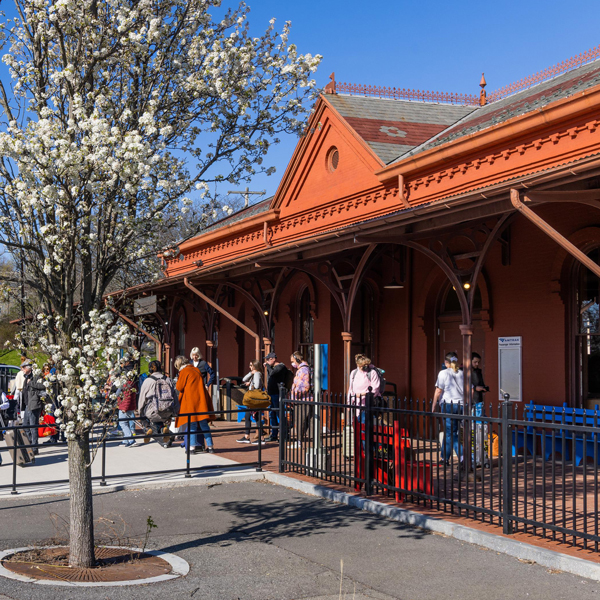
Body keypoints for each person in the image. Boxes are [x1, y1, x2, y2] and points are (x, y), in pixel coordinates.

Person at [174, 355, 216, 454]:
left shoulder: (184, 371)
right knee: (204, 425)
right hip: (201, 402)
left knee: (192, 425)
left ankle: (192, 448)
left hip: (190, 402)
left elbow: (179, 387)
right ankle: (210, 447)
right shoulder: (196, 370)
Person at [432, 351, 464, 466]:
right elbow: (470, 390)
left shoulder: (443, 373)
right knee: (449, 432)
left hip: (448, 405)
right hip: (461, 405)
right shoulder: (462, 373)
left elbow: (438, 390)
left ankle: (462, 457)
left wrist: (434, 404)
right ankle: (444, 458)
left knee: (452, 433)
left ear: (446, 362)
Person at [138, 360, 178, 448]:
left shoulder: (148, 381)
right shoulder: (168, 380)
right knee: (159, 418)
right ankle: (163, 428)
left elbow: (142, 399)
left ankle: (147, 428)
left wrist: (140, 412)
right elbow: (175, 397)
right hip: (168, 410)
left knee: (145, 416)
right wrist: (174, 412)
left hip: (154, 411)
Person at [237, 360, 265, 444]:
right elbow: (244, 379)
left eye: (251, 365)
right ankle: (249, 437)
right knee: (252, 416)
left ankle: (258, 438)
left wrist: (251, 384)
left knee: (254, 417)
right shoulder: (255, 374)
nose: (249, 367)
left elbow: (256, 386)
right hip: (254, 399)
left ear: (255, 366)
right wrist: (250, 373)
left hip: (254, 398)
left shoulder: (257, 374)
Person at [22, 361, 46, 456]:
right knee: (25, 426)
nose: (22, 369)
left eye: (24, 367)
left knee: (33, 427)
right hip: (28, 405)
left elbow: (43, 386)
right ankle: (30, 444)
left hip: (34, 405)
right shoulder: (26, 377)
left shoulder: (36, 376)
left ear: (29, 368)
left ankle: (34, 448)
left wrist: (31, 383)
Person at [264, 352, 288, 442]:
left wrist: (268, 366)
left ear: (273, 359)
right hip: (271, 393)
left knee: (280, 414)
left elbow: (273, 373)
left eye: (268, 359)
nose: (267, 361)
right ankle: (274, 434)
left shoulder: (280, 367)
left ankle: (284, 434)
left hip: (278, 394)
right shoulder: (272, 367)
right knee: (272, 414)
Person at [290, 351, 311, 446]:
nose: (292, 363)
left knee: (300, 421)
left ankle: (298, 441)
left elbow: (304, 387)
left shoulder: (303, 370)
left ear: (297, 359)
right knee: (304, 421)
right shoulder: (301, 369)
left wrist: (295, 395)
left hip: (302, 400)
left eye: (293, 361)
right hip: (301, 400)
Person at [116, 370, 138, 447]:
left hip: (124, 407)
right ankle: (126, 440)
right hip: (129, 407)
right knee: (126, 423)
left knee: (123, 423)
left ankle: (131, 440)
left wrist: (124, 408)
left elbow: (127, 398)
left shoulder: (126, 385)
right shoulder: (132, 384)